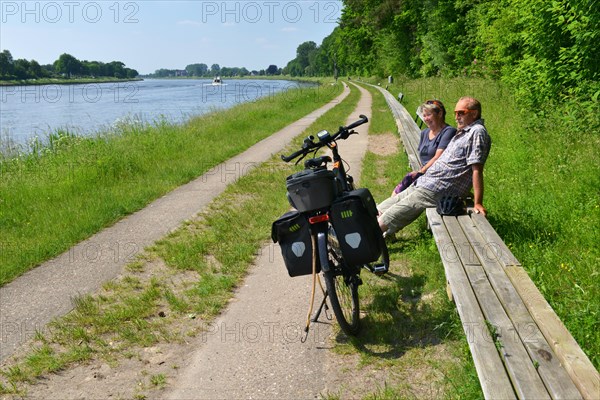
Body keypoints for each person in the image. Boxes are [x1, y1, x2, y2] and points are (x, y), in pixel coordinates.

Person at [378, 96, 492, 235]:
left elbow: (477, 169)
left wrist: (478, 202)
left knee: (392, 214)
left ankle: (364, 242)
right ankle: (371, 235)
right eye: (455, 113)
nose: (456, 117)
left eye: (461, 113)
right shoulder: (464, 132)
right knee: (383, 207)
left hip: (438, 188)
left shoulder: (477, 132)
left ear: (474, 113)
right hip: (427, 182)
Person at [392, 100, 456, 196]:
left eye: (429, 115)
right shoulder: (424, 133)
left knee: (408, 182)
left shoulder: (448, 132)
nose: (426, 119)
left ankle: (384, 209)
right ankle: (382, 209)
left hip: (437, 175)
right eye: (424, 116)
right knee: (406, 182)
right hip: (424, 173)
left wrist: (421, 171)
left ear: (440, 114)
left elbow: (438, 157)